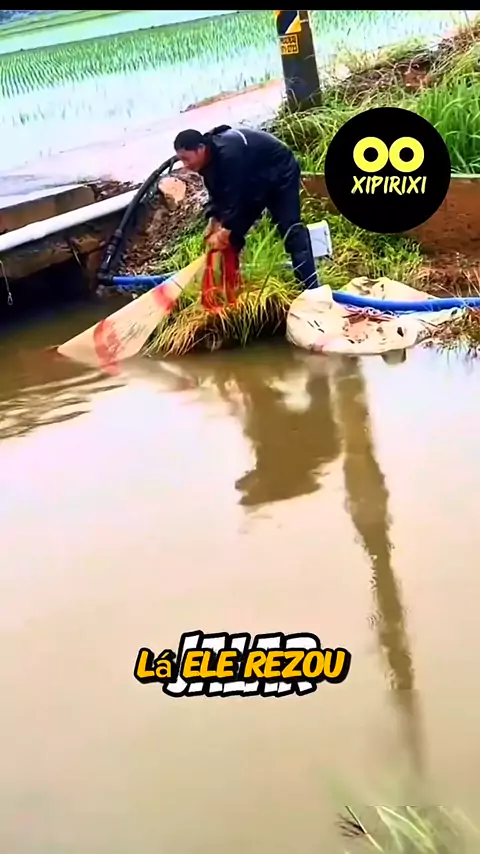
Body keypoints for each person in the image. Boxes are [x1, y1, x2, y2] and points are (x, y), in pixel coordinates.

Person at [173, 125, 319, 290]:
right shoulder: (206, 161)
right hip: (253, 181)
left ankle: (310, 288)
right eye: (181, 160)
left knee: (291, 230)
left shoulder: (229, 155)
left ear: (200, 148)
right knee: (231, 237)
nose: (185, 165)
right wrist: (213, 221)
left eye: (186, 159)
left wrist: (225, 231)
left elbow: (238, 199)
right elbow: (219, 196)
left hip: (280, 172)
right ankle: (230, 289)